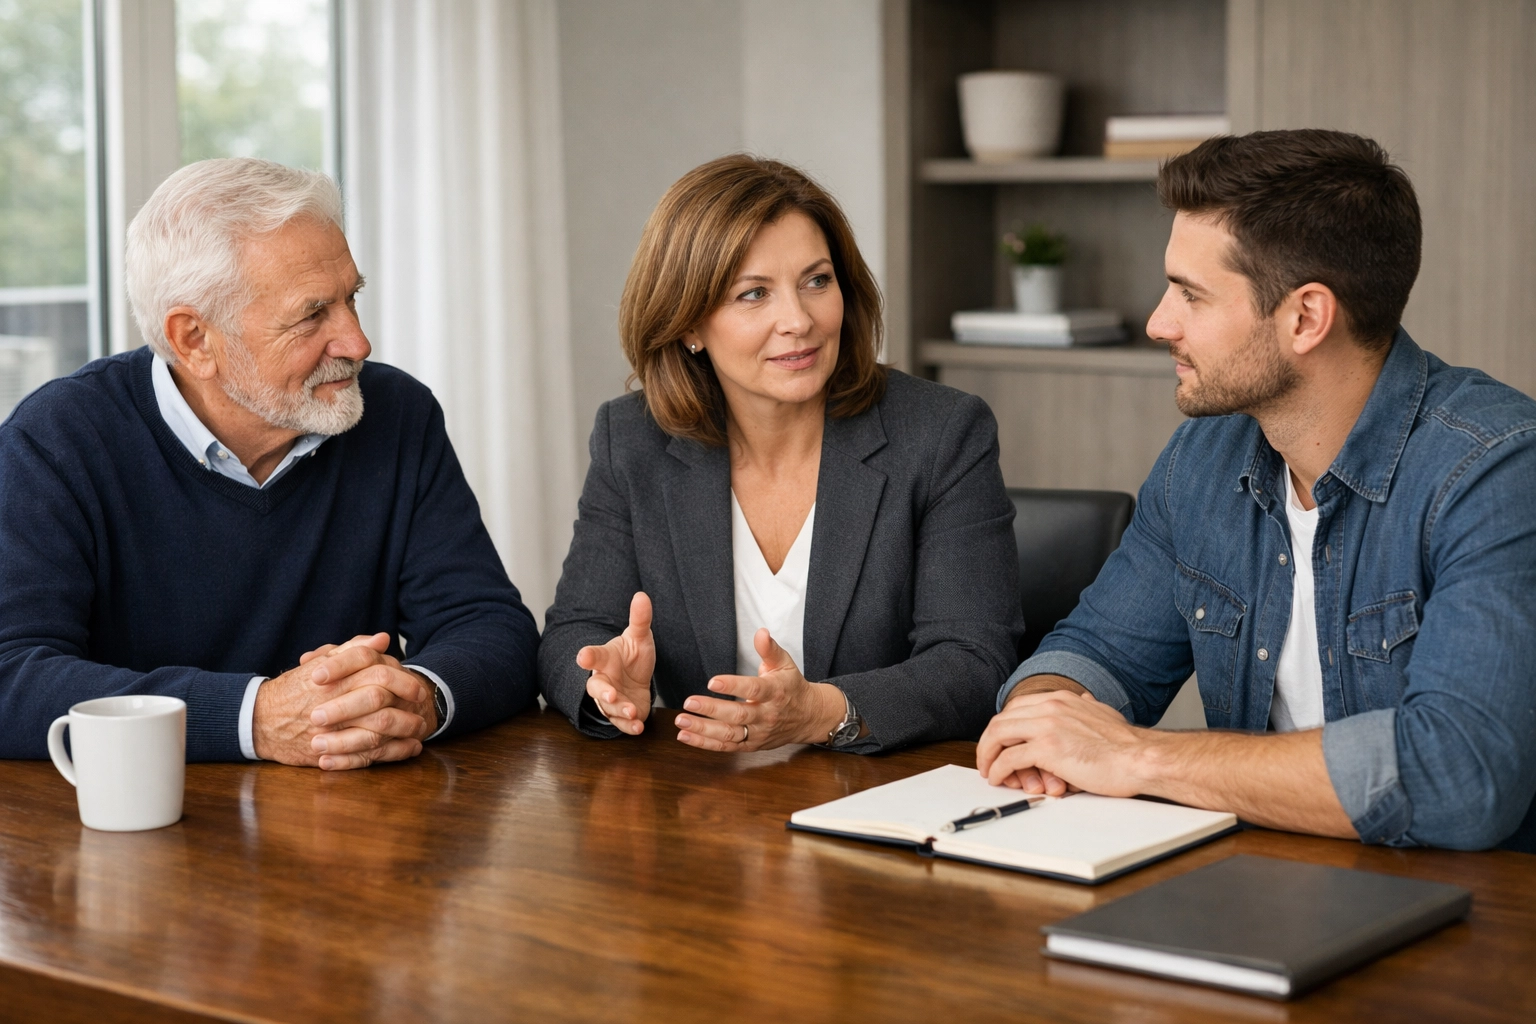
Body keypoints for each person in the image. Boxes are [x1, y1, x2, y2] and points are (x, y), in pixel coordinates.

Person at [977, 129, 1536, 852]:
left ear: (1306, 317)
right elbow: (1100, 650)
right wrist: (1043, 725)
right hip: (1258, 893)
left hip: (1467, 923)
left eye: (1191, 295)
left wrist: (1136, 756)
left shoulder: (1495, 472)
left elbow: (1462, 776)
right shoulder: (1205, 458)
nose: (1158, 322)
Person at [0, 158, 539, 769]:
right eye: (313, 314)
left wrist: (419, 699)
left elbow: (492, 626)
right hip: (135, 829)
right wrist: (252, 717)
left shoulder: (397, 414)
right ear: (194, 340)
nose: (357, 343)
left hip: (354, 825)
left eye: (351, 298)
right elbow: (11, 676)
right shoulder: (56, 439)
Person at [540, 155, 1022, 754]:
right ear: (689, 323)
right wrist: (603, 685)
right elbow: (573, 631)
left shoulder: (941, 432)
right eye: (754, 294)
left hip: (880, 800)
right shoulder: (633, 440)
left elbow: (975, 662)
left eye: (817, 281)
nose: (798, 320)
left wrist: (825, 712)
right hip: (705, 804)